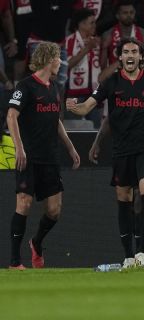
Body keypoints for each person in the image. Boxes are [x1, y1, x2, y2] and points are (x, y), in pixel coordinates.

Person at [66, 38, 144, 269]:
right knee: (124, 201)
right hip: (122, 150)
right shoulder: (110, 82)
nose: (131, 55)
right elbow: (88, 107)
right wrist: (75, 107)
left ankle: (143, 251)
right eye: (126, 51)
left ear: (141, 56)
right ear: (120, 57)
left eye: (135, 51)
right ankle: (128, 256)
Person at [6, 42, 81, 270]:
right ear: (49, 59)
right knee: (24, 202)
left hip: (50, 157)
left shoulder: (53, 88)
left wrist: (70, 147)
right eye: (59, 58)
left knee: (54, 210)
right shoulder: (26, 86)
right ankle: (15, 262)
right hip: (28, 157)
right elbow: (11, 116)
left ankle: (36, 243)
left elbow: (55, 120)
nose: (61, 62)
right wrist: (19, 148)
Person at [65, 8, 102, 128]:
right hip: (73, 94)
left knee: (96, 131)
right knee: (73, 129)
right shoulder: (69, 41)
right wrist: (87, 49)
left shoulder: (96, 41)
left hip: (95, 93)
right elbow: (67, 65)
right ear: (81, 24)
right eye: (92, 22)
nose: (94, 25)